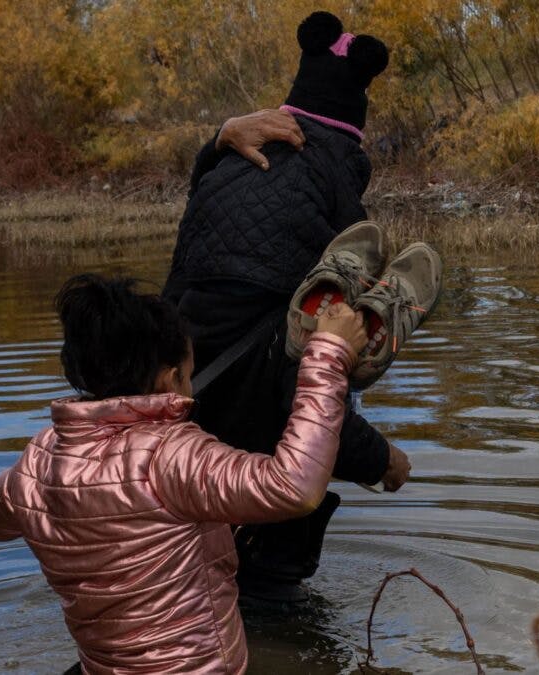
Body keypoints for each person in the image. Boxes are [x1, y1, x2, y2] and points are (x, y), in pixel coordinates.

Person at [0, 273, 367, 673]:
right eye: (187, 376)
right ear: (169, 379)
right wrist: (328, 354)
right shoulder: (169, 455)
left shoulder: (37, 462)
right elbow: (294, 487)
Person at [162, 11, 414, 602]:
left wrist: (218, 138)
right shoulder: (335, 189)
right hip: (258, 443)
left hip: (178, 412)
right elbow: (305, 395)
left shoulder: (228, 162)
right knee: (269, 590)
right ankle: (277, 617)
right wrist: (382, 460)